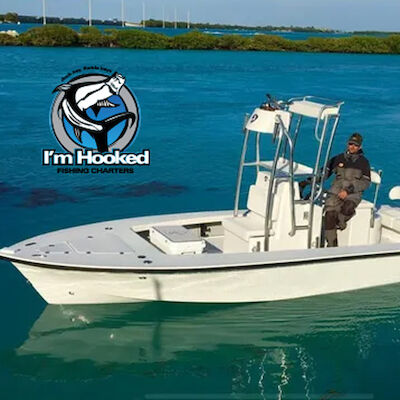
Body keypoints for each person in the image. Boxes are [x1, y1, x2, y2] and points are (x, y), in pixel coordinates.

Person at [323, 133, 371, 247]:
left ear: (360, 147)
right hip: (335, 192)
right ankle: (332, 246)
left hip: (353, 193)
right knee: (329, 215)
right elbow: (324, 173)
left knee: (348, 207)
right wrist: (308, 181)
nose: (352, 147)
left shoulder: (364, 162)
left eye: (356, 145)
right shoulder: (337, 158)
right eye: (350, 144)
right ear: (347, 144)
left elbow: (366, 182)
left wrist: (348, 191)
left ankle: (340, 222)